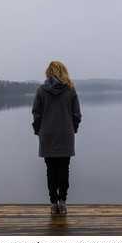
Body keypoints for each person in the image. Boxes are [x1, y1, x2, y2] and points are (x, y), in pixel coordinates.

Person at [32, 61, 82, 214]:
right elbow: (76, 115)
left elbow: (36, 115)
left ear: (49, 73)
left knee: (51, 170)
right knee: (64, 169)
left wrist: (38, 131)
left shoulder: (41, 91)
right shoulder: (70, 90)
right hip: (65, 135)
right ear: (63, 71)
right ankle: (62, 201)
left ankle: (53, 204)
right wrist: (72, 129)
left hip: (47, 136)